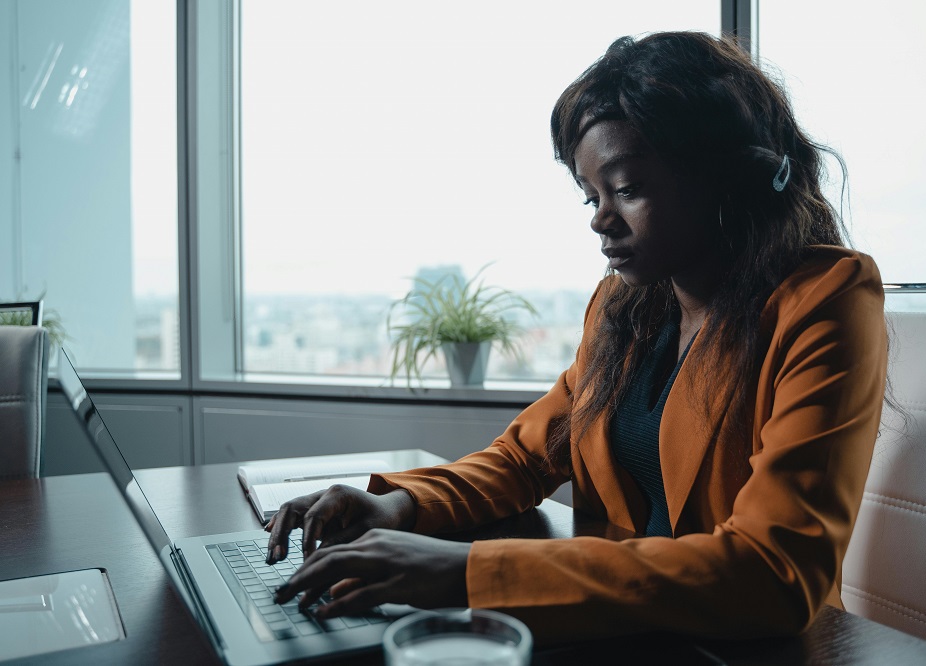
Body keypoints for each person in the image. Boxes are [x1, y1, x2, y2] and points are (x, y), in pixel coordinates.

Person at [268, 31, 888, 643]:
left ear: (723, 177)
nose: (599, 218)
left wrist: (464, 573)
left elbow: (773, 573)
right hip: (619, 632)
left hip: (743, 648)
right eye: (591, 194)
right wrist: (397, 509)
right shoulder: (627, 309)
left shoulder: (826, 301)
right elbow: (526, 457)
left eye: (626, 188)